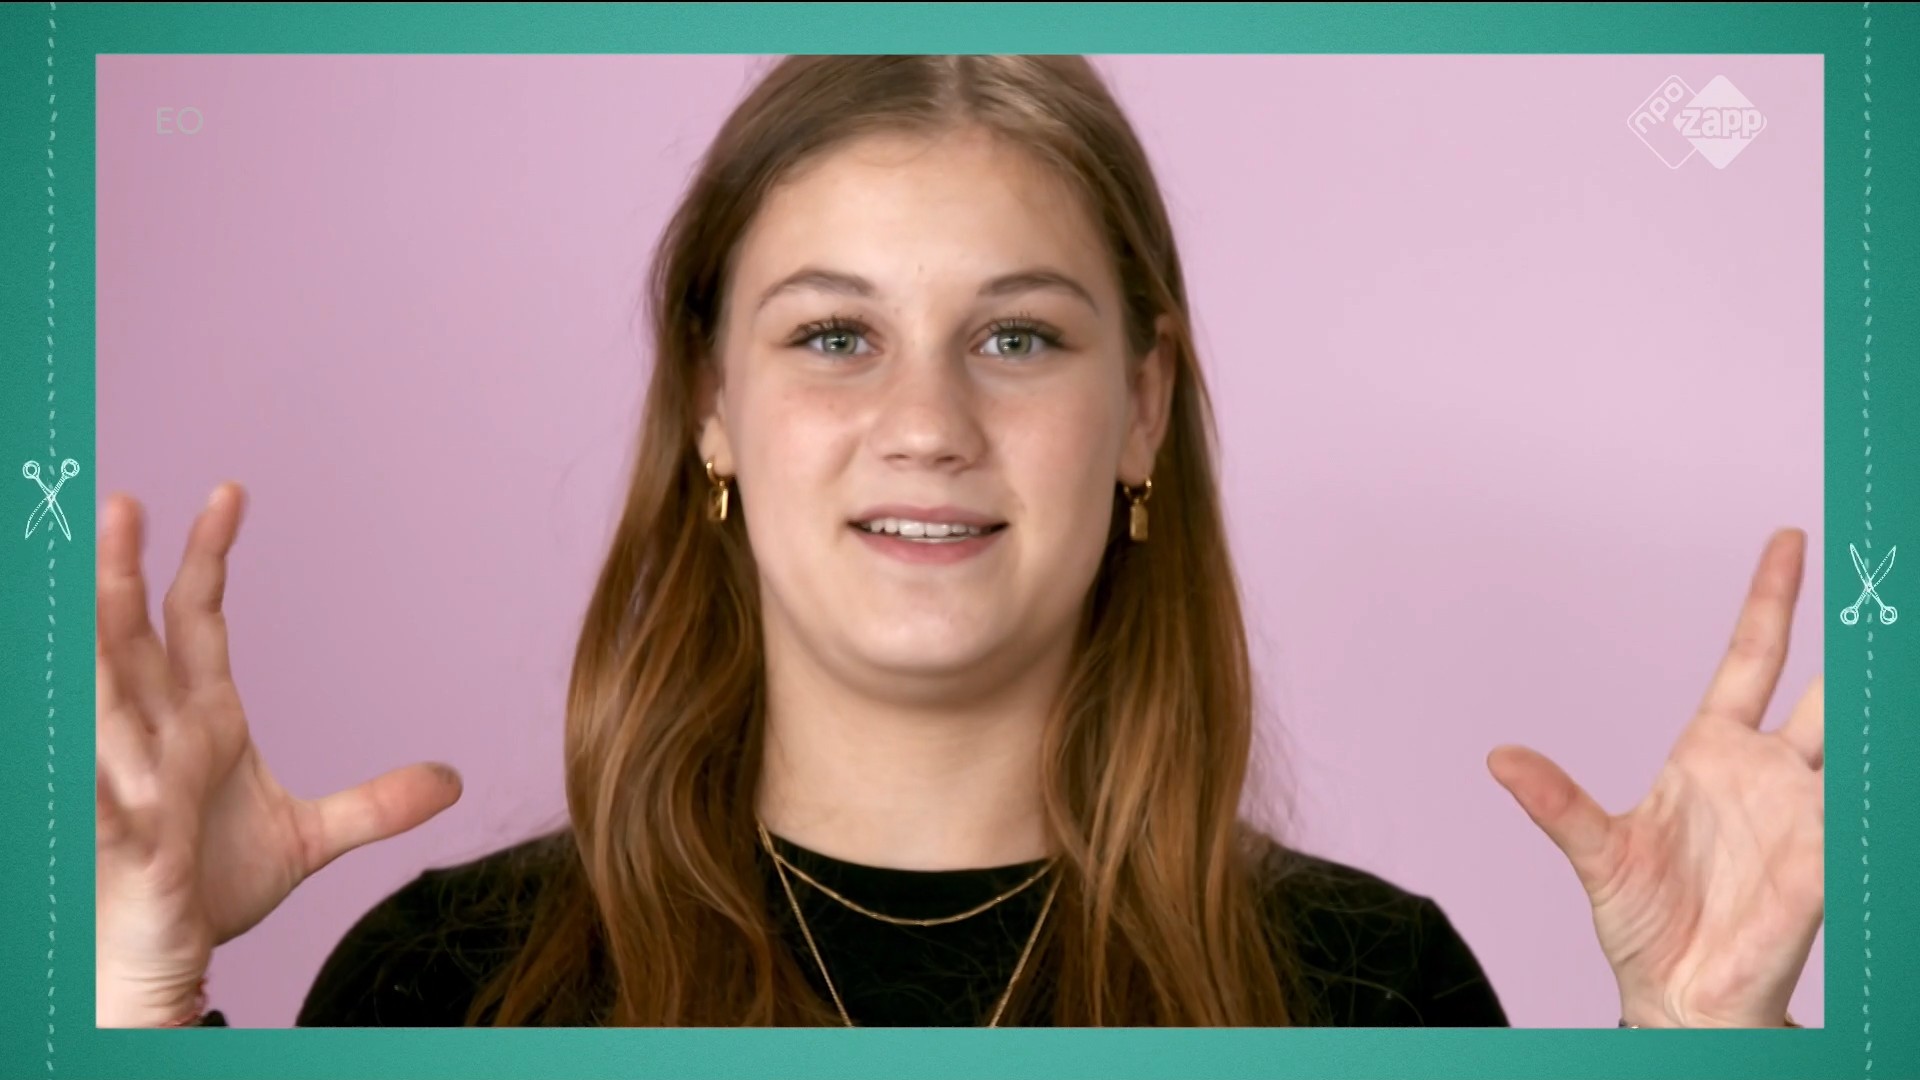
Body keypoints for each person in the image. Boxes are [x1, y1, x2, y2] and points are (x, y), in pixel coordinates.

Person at [94, 55, 1823, 1029]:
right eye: (834, 334)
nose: (926, 419)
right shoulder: (447, 990)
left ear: (1142, 411)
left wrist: (1704, 1059)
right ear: (711, 407)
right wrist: (138, 996)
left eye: (1017, 335)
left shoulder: (1370, 994)